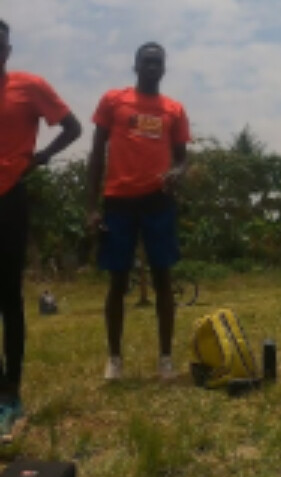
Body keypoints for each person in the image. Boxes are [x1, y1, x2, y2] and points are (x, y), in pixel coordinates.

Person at [86, 42, 192, 382]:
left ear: (164, 69)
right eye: (146, 62)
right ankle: (114, 360)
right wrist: (91, 207)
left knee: (163, 279)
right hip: (118, 200)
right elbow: (96, 153)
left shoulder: (174, 110)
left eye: (157, 62)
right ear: (135, 66)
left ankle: (165, 360)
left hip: (158, 202)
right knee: (118, 281)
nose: (152, 67)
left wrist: (177, 173)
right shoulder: (113, 101)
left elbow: (182, 159)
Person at [0, 19, 82, 438]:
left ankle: (11, 394)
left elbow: (73, 127)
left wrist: (41, 158)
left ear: (7, 50)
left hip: (9, 198)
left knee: (8, 296)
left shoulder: (29, 87)